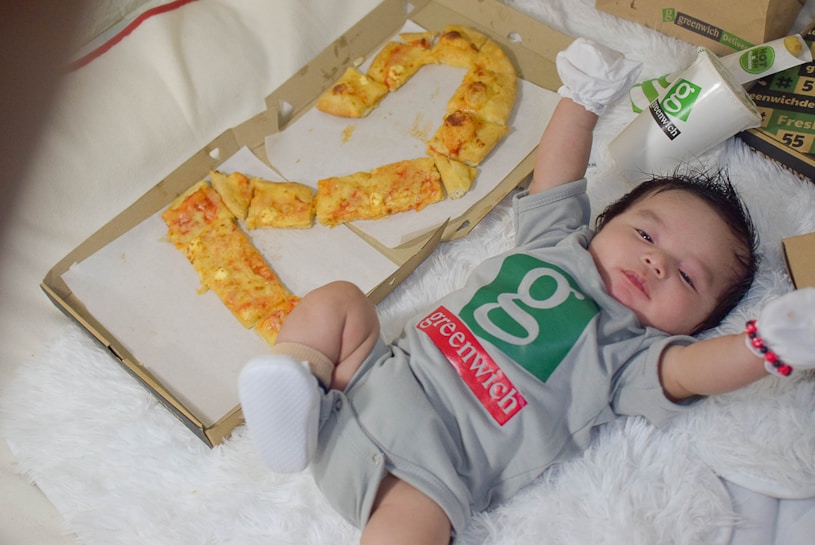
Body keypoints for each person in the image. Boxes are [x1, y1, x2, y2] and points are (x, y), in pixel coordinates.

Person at [238, 39, 815, 544]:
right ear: (602, 225)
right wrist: (581, 101)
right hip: (364, 383)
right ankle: (295, 385)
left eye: (688, 277)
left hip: (428, 472)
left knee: (410, 529)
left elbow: (696, 372)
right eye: (645, 234)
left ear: (694, 325)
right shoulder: (555, 244)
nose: (655, 262)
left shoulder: (632, 355)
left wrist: (763, 347)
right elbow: (559, 173)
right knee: (340, 301)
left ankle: (297, 398)